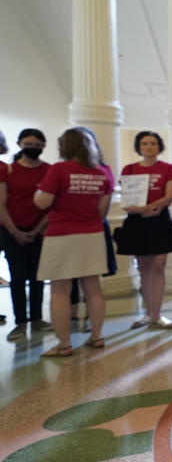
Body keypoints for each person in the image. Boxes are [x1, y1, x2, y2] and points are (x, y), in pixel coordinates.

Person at [33, 128, 113, 357]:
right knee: (93, 287)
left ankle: (64, 344)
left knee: (60, 290)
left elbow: (42, 202)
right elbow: (102, 209)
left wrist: (39, 192)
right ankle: (97, 337)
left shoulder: (59, 169)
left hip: (61, 234)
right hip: (92, 233)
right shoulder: (101, 172)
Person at [117, 131, 172, 328]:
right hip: (137, 221)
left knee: (159, 265)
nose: (149, 146)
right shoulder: (129, 169)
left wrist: (153, 208)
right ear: (139, 147)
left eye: (153, 143)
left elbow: (169, 196)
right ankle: (148, 312)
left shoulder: (168, 168)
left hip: (159, 219)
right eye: (144, 143)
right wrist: (142, 210)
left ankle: (158, 314)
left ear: (159, 146)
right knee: (143, 267)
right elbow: (127, 201)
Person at [1, 129, 49, 339]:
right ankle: (20, 322)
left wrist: (38, 230)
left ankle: (37, 319)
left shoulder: (49, 170)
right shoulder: (8, 170)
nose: (33, 148)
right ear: (20, 144)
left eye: (38, 145)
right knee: (17, 277)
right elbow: (1, 204)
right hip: (12, 231)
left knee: (38, 276)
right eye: (29, 143)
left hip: (40, 231)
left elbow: (51, 205)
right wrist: (15, 231)